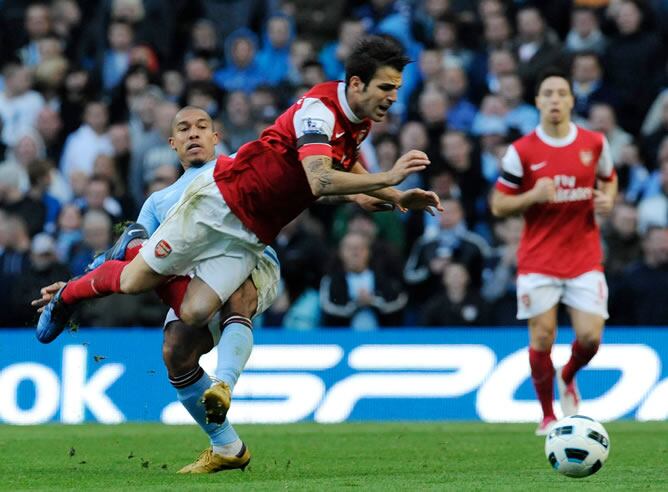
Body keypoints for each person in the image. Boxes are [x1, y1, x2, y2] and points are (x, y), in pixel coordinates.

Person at [37, 33, 441, 452]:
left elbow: (347, 172)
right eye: (387, 87)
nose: (394, 97)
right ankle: (71, 294)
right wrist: (389, 179)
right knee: (137, 281)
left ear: (218, 135)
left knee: (197, 309)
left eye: (396, 88)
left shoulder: (357, 122)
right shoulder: (318, 111)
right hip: (218, 206)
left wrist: (393, 198)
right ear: (357, 83)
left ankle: (226, 417)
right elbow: (321, 179)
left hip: (251, 235)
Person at [33, 110, 281, 473]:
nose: (193, 134)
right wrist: (82, 276)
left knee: (236, 294)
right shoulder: (157, 201)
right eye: (183, 129)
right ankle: (227, 445)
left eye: (201, 128)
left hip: (246, 258)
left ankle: (224, 383)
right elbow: (130, 252)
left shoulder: (235, 167)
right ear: (172, 143)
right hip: (191, 275)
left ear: (217, 137)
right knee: (175, 352)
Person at [490, 68, 617, 436]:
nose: (555, 100)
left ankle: (568, 374)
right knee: (542, 336)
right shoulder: (522, 151)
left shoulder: (594, 143)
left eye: (562, 93)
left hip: (583, 254)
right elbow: (499, 205)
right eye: (548, 94)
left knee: (591, 338)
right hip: (539, 258)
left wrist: (607, 200)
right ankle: (547, 415)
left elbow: (609, 178)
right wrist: (532, 196)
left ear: (572, 101)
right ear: (537, 102)